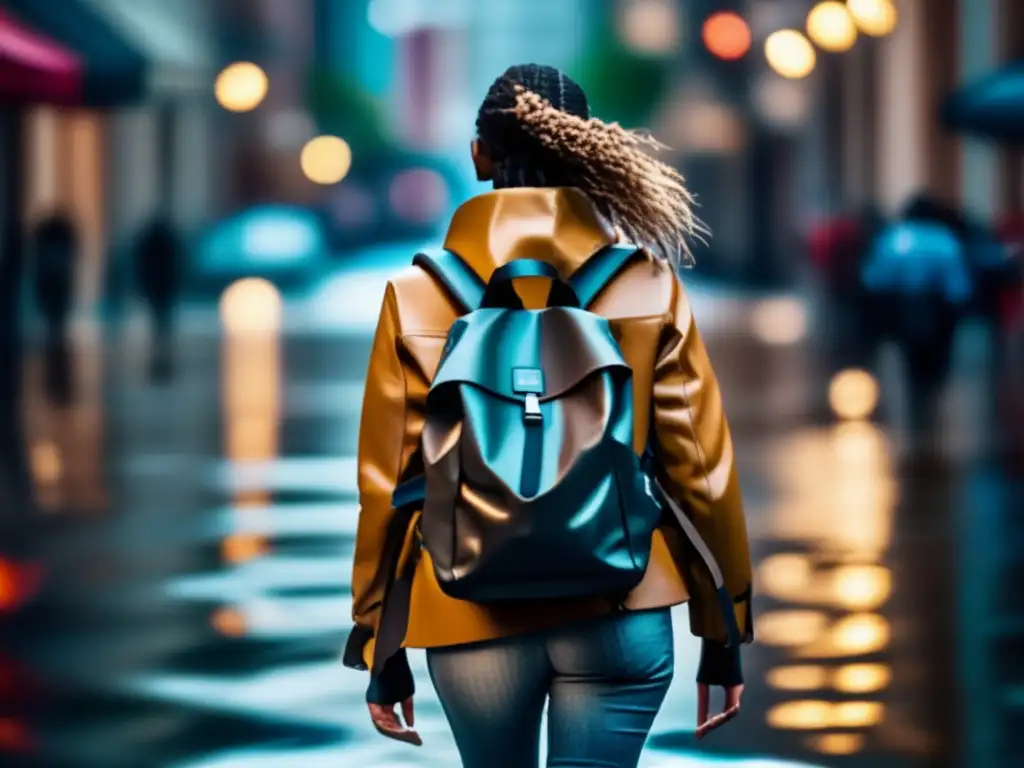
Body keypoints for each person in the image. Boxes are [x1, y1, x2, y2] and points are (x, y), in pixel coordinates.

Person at [344, 64, 753, 768]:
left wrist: (379, 639)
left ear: (479, 155)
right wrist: (724, 628)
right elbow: (701, 473)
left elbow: (388, 485)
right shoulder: (648, 283)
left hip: (466, 610)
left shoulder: (414, 296)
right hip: (621, 602)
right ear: (587, 153)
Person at [861, 194, 973, 441]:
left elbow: (874, 278)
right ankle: (930, 396)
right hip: (938, 309)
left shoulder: (893, 239)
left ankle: (916, 401)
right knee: (937, 359)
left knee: (910, 356)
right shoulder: (945, 240)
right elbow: (958, 285)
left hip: (903, 307)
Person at [133, 217, 182, 381]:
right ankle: (162, 339)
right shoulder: (166, 242)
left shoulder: (152, 243)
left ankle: (160, 339)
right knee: (162, 317)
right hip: (162, 285)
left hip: (158, 285)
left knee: (158, 316)